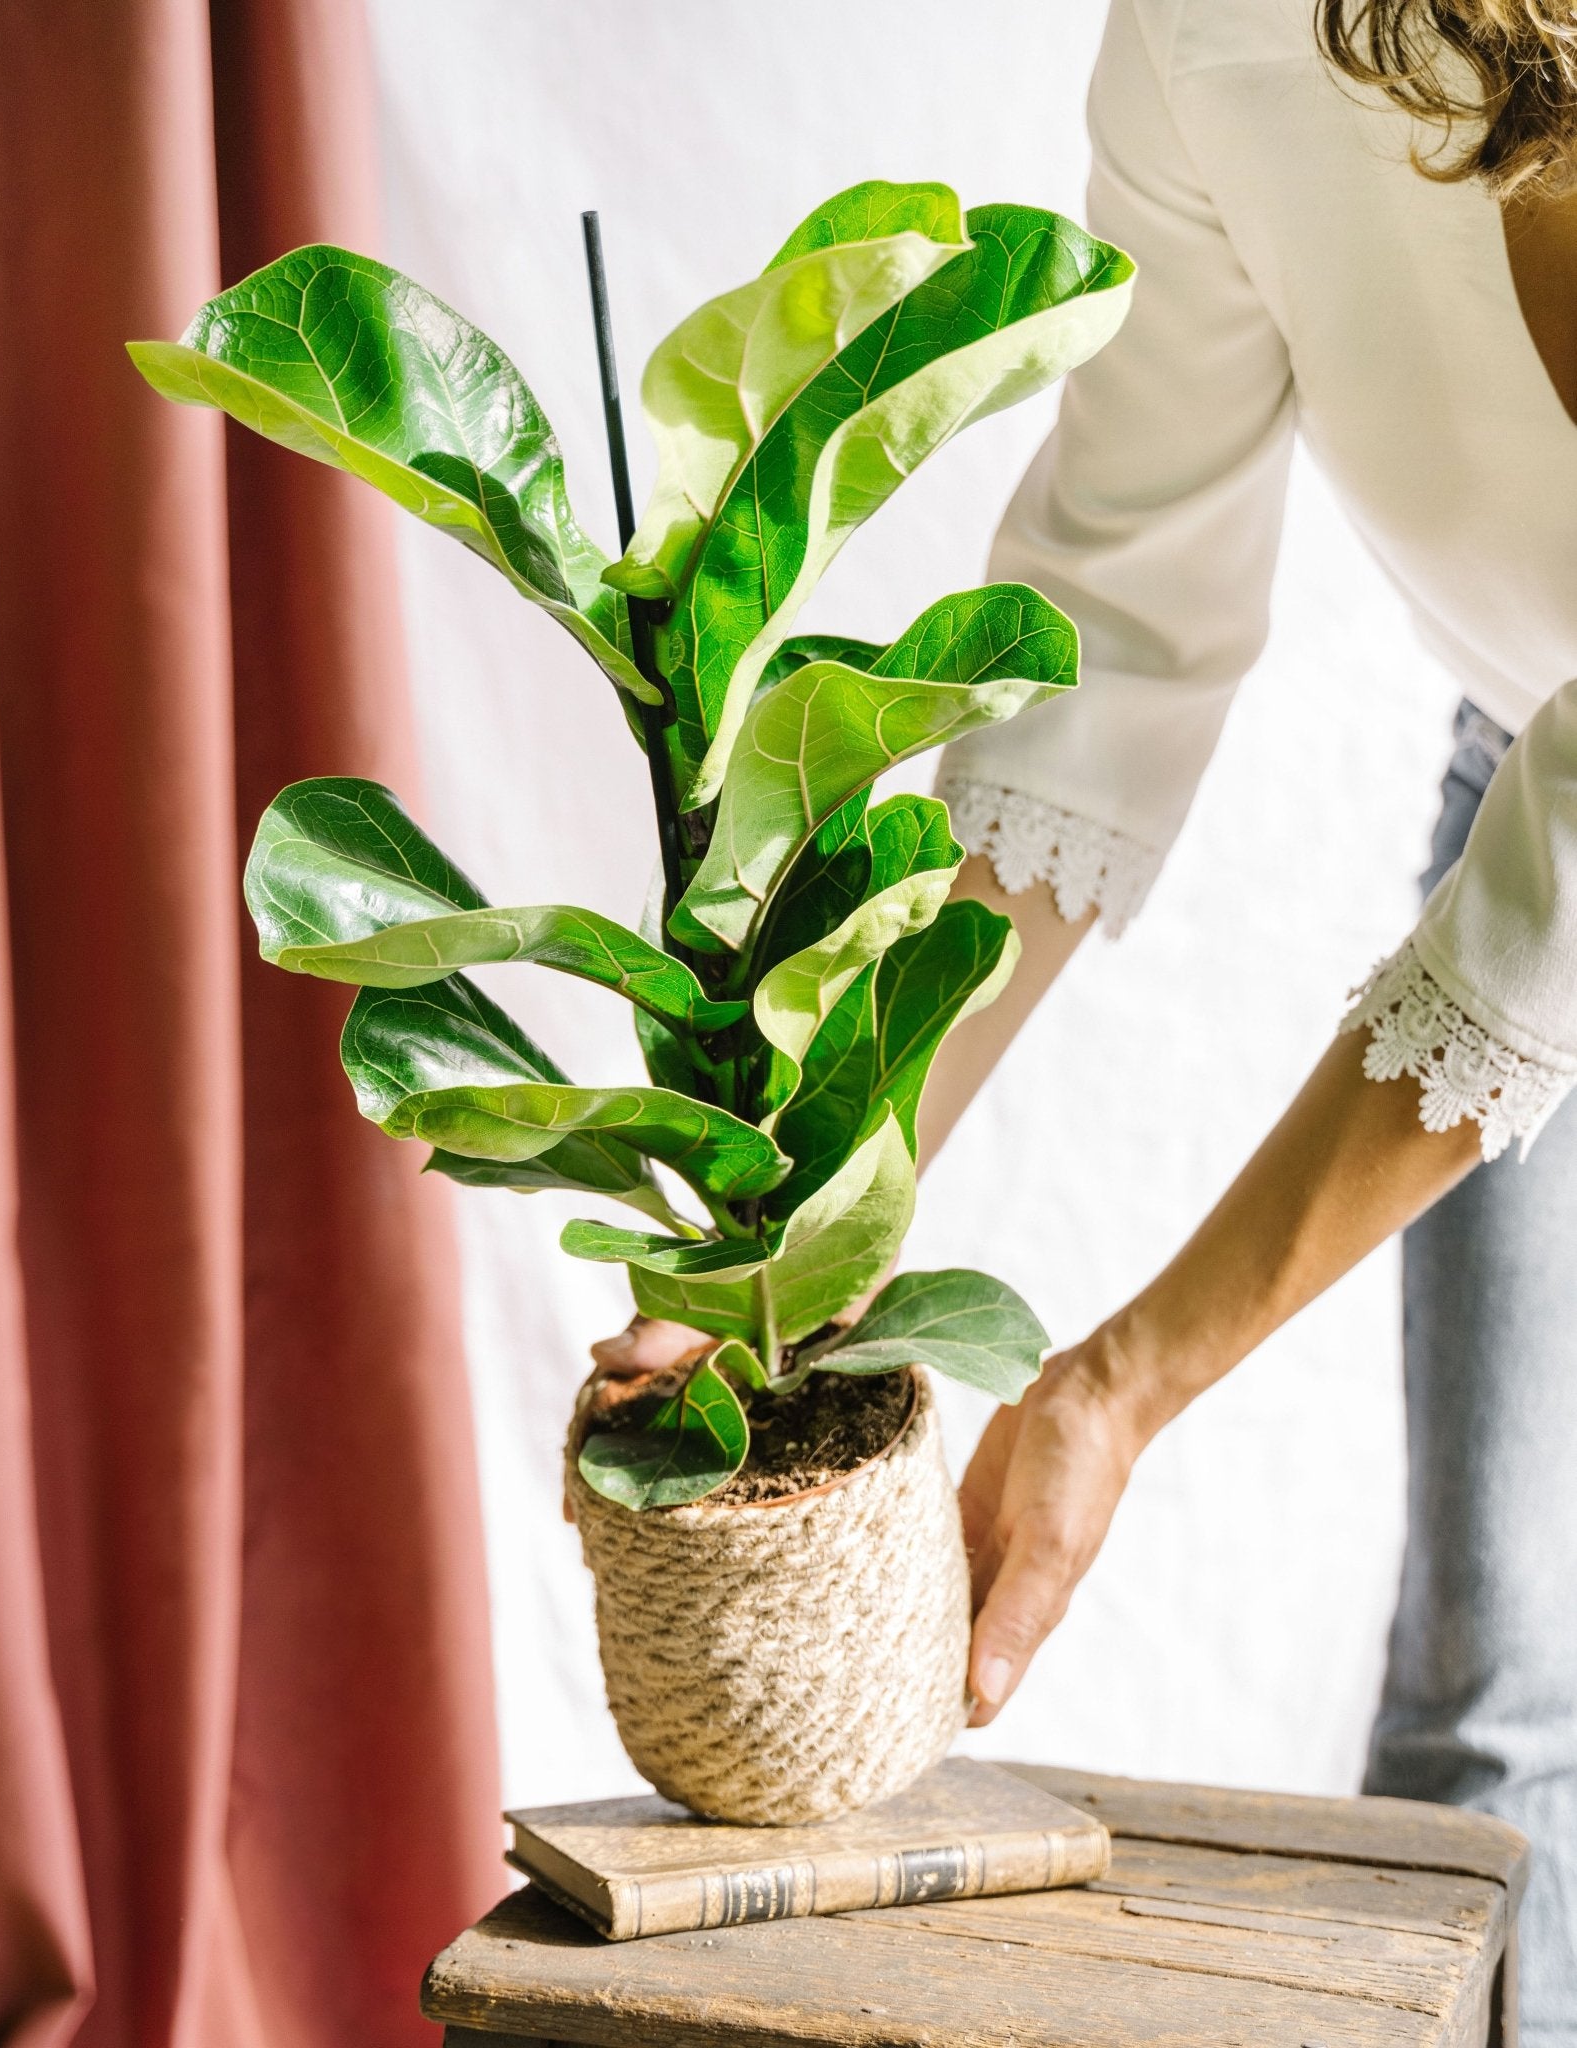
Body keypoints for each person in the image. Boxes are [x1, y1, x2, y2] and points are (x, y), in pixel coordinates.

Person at [596, 0, 1577, 2031]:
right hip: (1533, 770)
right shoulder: (1222, 36)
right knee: (1496, 1709)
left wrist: (1118, 1384)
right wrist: (827, 1186)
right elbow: (1114, 644)